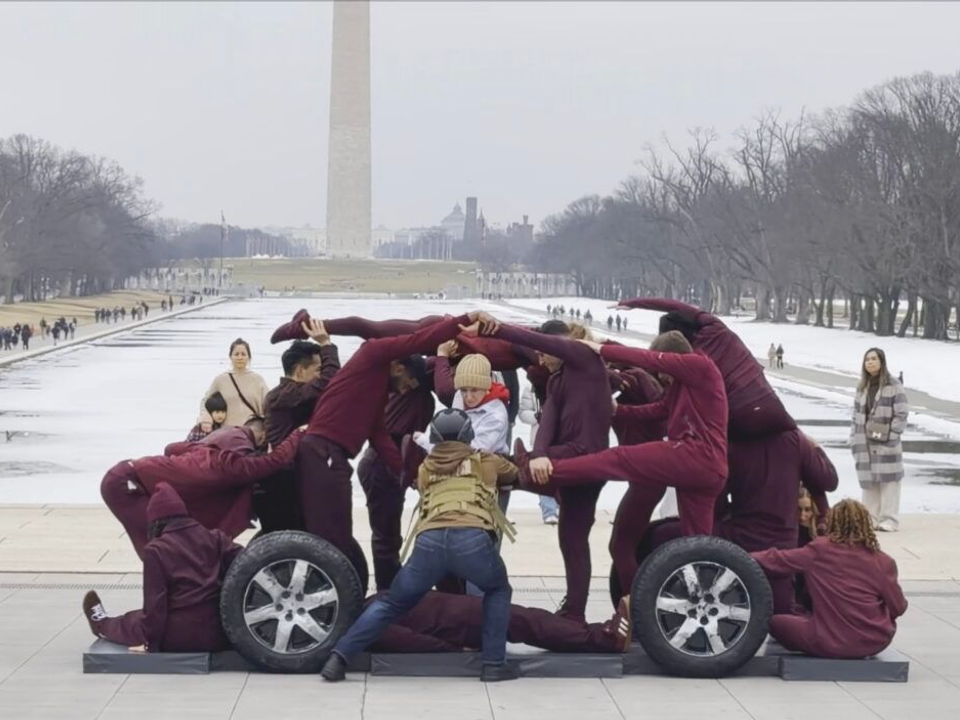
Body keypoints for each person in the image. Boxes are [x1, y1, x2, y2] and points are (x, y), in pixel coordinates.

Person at [268, 307, 498, 589]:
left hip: (333, 457)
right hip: (321, 452)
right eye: (406, 385)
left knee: (339, 534)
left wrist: (411, 476)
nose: (403, 392)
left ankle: (352, 596)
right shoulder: (373, 354)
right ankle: (335, 598)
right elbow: (416, 335)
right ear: (398, 366)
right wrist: (465, 319)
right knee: (331, 537)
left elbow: (380, 438)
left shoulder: (377, 393)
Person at [515, 331, 728, 599]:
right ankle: (698, 601)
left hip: (694, 455)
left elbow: (646, 358)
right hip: (708, 471)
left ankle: (549, 469)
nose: (662, 378)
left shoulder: (700, 366)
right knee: (695, 548)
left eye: (663, 372)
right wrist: (617, 411)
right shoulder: (684, 387)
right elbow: (659, 409)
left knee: (617, 459)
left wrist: (602, 349)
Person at [320, 409, 519, 683]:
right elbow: (514, 473)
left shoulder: (426, 468)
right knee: (496, 590)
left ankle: (338, 657)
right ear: (468, 435)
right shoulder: (485, 461)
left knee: (392, 603)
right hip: (472, 540)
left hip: (430, 543)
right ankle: (494, 664)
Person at [495, 319, 613, 623]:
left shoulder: (584, 358)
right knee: (571, 539)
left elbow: (539, 343)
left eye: (544, 352)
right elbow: (546, 422)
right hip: (563, 458)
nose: (541, 358)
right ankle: (574, 610)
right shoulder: (557, 379)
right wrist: (539, 454)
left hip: (585, 458)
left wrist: (494, 327)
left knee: (507, 469)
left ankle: (575, 611)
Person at [100, 418, 301, 559]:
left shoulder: (216, 442)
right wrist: (297, 434)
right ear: (261, 434)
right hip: (126, 484)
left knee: (165, 550)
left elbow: (172, 448)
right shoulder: (229, 456)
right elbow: (265, 464)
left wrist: (183, 466)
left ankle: (169, 604)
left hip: (123, 475)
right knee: (163, 553)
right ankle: (164, 611)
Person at [82, 483, 242, 652]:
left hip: (179, 637)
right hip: (221, 633)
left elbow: (155, 607)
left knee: (131, 621)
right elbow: (248, 560)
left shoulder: (156, 550)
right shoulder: (216, 538)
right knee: (140, 618)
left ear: (155, 520)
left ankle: (101, 624)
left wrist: (151, 645)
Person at [616, 297, 796, 439]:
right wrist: (634, 303)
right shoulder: (716, 328)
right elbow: (674, 304)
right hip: (771, 405)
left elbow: (664, 404)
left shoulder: (689, 363)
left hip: (737, 418)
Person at [751, 499, 908, 659]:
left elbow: (777, 560)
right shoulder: (883, 561)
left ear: (831, 522)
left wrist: (739, 555)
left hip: (826, 640)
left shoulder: (820, 550)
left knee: (774, 621)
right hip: (873, 642)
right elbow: (899, 607)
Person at [369, 590, 632, 654]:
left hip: (463, 610)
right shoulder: (366, 621)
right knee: (532, 624)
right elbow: (412, 642)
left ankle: (599, 632)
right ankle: (605, 639)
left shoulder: (367, 604)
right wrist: (456, 651)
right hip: (463, 622)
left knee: (531, 620)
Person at [260, 325, 341, 534]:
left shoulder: (291, 395)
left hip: (292, 478)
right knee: (292, 542)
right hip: (285, 482)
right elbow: (330, 380)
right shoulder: (285, 396)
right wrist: (326, 343)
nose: (320, 375)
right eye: (317, 370)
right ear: (300, 371)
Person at [851, 348, 909, 532]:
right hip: (865, 440)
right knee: (869, 481)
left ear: (881, 361)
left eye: (874, 358)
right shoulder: (862, 386)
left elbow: (902, 412)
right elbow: (855, 414)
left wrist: (893, 435)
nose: (870, 362)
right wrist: (853, 436)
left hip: (886, 442)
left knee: (889, 481)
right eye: (867, 359)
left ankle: (889, 519)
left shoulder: (894, 385)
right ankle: (869, 519)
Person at [418, 351, 510, 454]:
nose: (468, 397)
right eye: (464, 390)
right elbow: (449, 430)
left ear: (486, 388)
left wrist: (430, 445)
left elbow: (476, 448)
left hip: (487, 463)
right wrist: (424, 440)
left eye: (474, 390)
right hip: (457, 457)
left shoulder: (496, 415)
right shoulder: (459, 398)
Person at [197, 338, 269, 431]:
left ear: (249, 357)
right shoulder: (220, 379)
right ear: (230, 356)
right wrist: (206, 418)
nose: (240, 357)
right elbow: (205, 401)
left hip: (251, 433)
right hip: (226, 433)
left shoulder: (258, 380)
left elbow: (269, 405)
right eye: (236, 354)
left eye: (243, 354)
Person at [518, 383, 558, 525]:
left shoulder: (564, 385)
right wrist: (538, 416)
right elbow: (522, 413)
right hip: (539, 440)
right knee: (543, 474)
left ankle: (561, 507)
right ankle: (549, 511)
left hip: (563, 439)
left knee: (560, 473)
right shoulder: (531, 388)